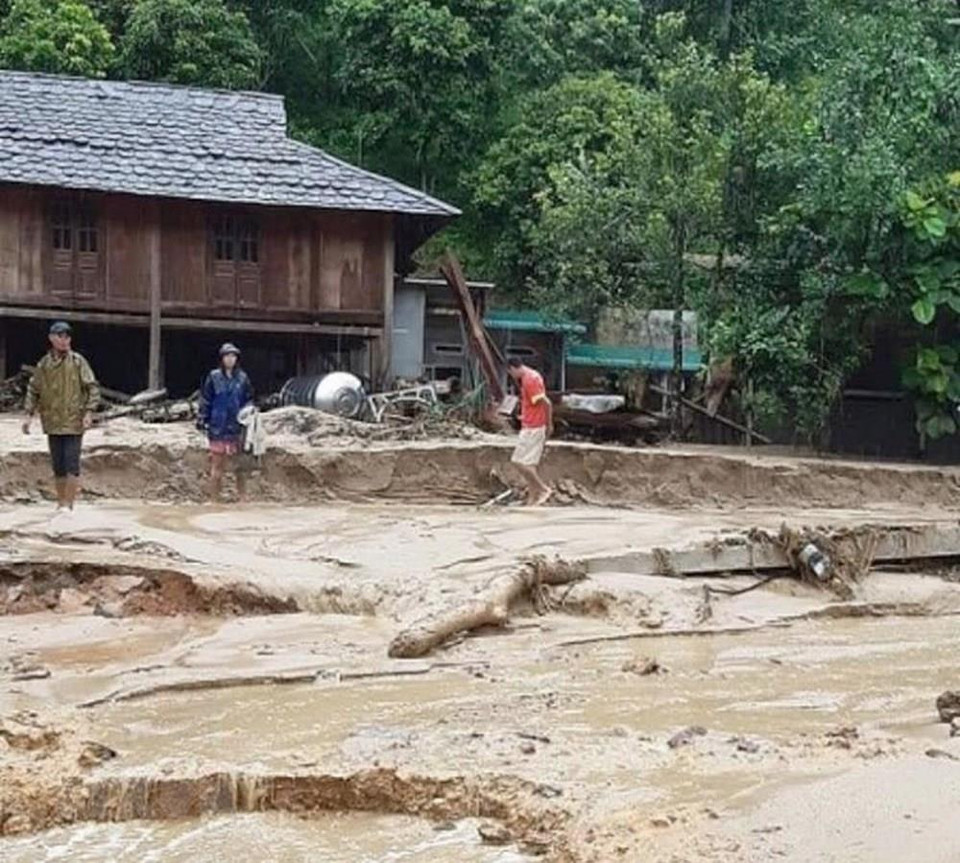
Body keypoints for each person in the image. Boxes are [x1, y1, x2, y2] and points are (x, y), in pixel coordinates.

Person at [22, 321, 100, 515]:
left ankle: (69, 505)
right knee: (58, 464)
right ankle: (60, 502)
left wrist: (89, 412)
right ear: (51, 338)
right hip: (52, 421)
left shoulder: (78, 362)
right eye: (60, 336)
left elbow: (92, 387)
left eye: (67, 337)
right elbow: (34, 389)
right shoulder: (44, 364)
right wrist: (28, 414)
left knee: (71, 463)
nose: (64, 340)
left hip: (73, 421)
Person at [198, 342, 253, 501]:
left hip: (237, 427)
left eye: (233, 356)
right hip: (218, 426)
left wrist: (248, 413)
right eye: (227, 356)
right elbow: (206, 400)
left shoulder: (242, 378)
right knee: (217, 466)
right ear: (222, 359)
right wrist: (203, 418)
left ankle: (243, 498)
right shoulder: (214, 377)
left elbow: (249, 399)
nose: (230, 359)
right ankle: (214, 499)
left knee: (240, 466)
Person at [506, 356, 553, 506]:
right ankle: (532, 499)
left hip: (534, 427)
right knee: (530, 464)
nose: (512, 376)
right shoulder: (531, 376)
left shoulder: (530, 380)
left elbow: (546, 403)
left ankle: (543, 489)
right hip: (531, 424)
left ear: (513, 368)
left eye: (510, 373)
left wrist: (549, 424)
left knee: (518, 461)